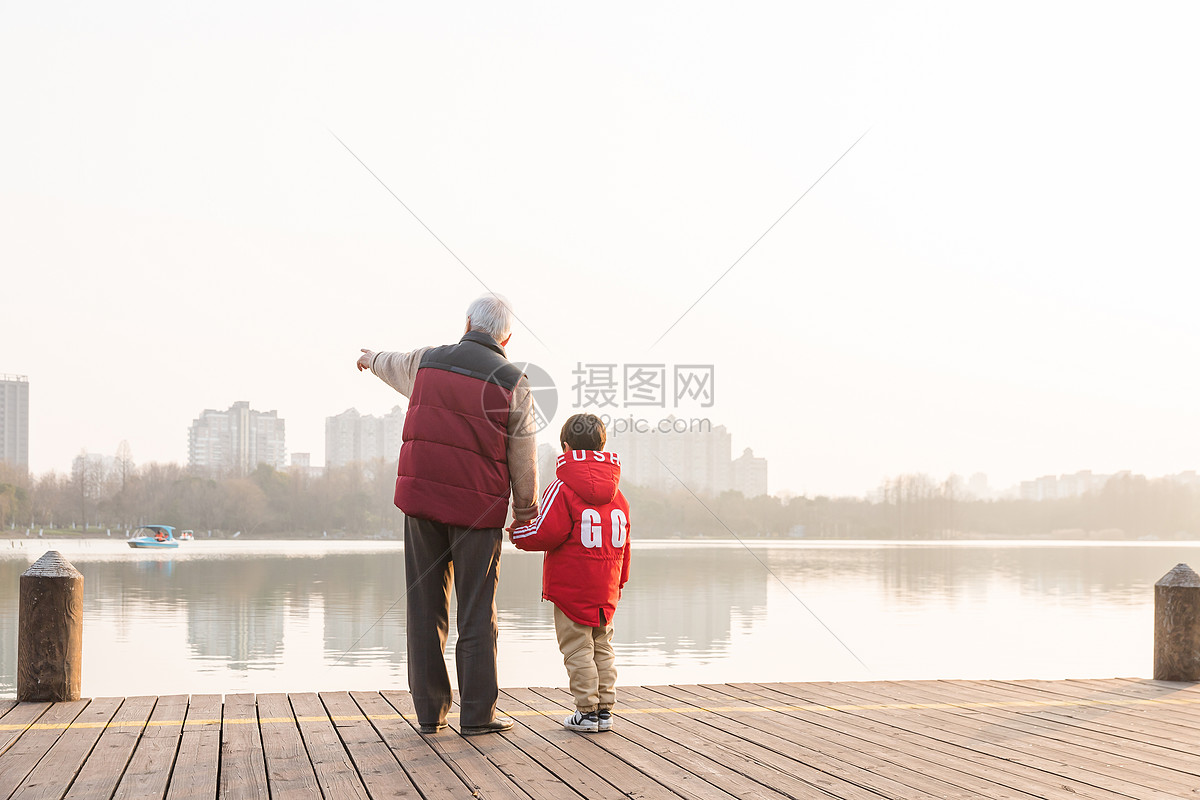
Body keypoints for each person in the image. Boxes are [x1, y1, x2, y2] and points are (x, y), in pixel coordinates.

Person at [357, 293, 538, 736]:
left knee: (424, 607)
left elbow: (391, 362)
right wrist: (526, 509)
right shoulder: (514, 381)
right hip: (478, 511)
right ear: (506, 337)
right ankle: (478, 716)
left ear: (466, 324)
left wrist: (368, 358)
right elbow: (524, 454)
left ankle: (429, 713)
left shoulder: (428, 363)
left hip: (422, 506)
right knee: (477, 611)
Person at [508, 413, 630, 733]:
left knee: (577, 648)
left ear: (565, 447)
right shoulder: (618, 494)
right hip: (606, 587)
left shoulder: (562, 487)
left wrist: (517, 533)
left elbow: (547, 532)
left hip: (572, 587)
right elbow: (625, 544)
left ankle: (586, 712)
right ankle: (604, 710)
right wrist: (621, 580)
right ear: (603, 446)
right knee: (602, 645)